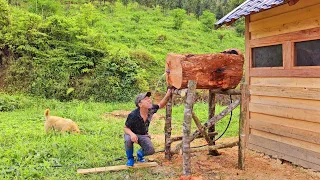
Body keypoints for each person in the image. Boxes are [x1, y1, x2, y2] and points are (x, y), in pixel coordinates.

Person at [124, 89, 172, 166]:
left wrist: (168, 94)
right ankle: (130, 158)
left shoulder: (151, 109)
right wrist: (132, 134)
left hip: (143, 134)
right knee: (128, 140)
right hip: (132, 133)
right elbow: (125, 128)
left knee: (151, 150)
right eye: (146, 99)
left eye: (148, 98)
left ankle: (140, 154)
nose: (149, 100)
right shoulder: (133, 115)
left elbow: (161, 105)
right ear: (140, 104)